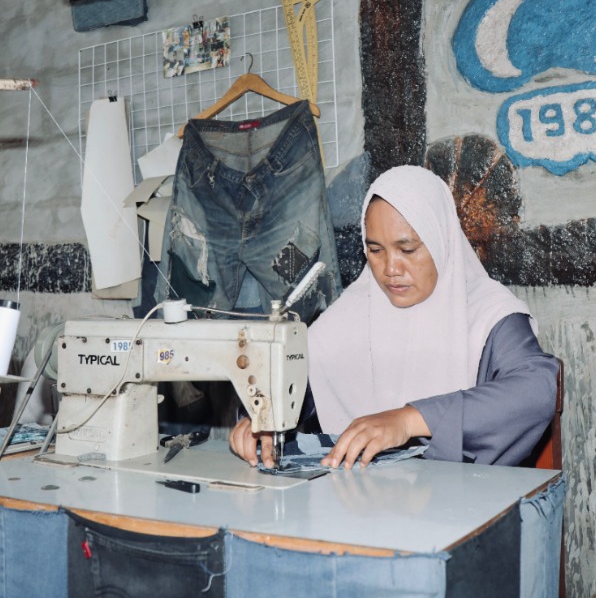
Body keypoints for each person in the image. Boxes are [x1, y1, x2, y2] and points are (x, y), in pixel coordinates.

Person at [229, 165, 559, 469]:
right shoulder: (352, 314)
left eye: (408, 249)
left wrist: (408, 420)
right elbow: (296, 384)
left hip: (461, 507)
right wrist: (261, 417)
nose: (390, 270)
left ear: (440, 241)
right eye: (375, 250)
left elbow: (535, 389)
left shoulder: (488, 315)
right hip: (364, 507)